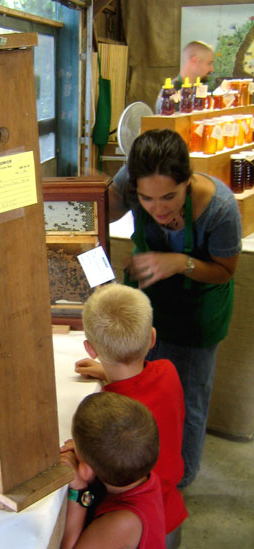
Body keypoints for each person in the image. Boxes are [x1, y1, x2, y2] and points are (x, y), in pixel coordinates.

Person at [106, 128, 242, 488]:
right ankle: (145, 471)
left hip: (197, 315)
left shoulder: (221, 209)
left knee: (188, 403)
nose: (159, 208)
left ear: (188, 180)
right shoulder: (132, 183)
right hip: (147, 305)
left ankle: (179, 481)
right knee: (144, 392)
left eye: (170, 196)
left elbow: (226, 270)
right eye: (147, 199)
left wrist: (180, 262)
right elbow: (101, 209)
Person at [75, 283, 187, 549]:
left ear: (90, 349)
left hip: (134, 525)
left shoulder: (108, 415)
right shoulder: (169, 372)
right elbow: (144, 381)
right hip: (171, 512)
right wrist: (108, 370)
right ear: (151, 338)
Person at [60, 392, 178, 549]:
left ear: (85, 469)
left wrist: (79, 489)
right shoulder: (144, 473)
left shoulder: (124, 521)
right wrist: (89, 458)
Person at [155, 40, 215, 113]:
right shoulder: (170, 94)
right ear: (195, 60)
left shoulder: (197, 91)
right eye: (209, 63)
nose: (212, 69)